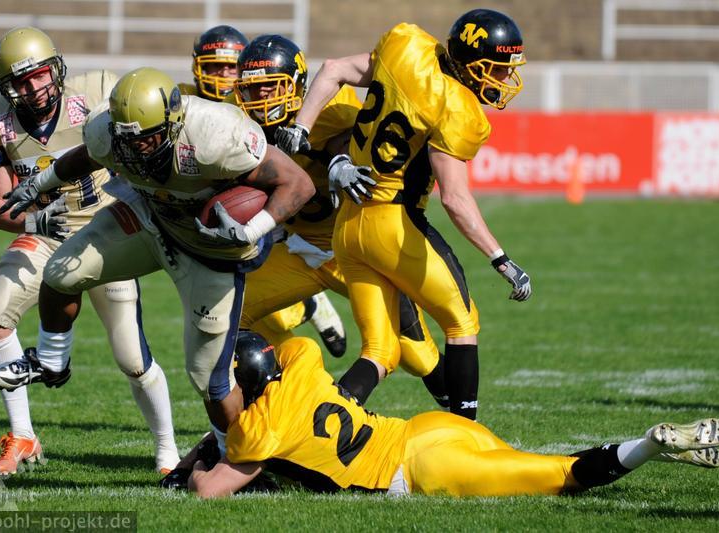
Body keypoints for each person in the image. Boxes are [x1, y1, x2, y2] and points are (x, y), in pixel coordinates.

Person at [0, 66, 315, 452]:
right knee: (61, 272)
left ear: (173, 123)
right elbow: (88, 156)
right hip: (149, 217)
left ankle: (236, 458)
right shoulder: (108, 130)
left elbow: (299, 183)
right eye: (127, 140)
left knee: (209, 379)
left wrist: (251, 230)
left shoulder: (216, 133)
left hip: (210, 247)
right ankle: (51, 360)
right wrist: (40, 184)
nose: (136, 149)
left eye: (147, 138)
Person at [274, 9, 534, 420]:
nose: (504, 79)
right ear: (470, 63)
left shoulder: (407, 44)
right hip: (393, 225)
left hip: (348, 228)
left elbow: (333, 69)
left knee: (380, 351)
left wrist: (301, 127)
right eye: (498, 69)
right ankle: (463, 434)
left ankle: (316, 425)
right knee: (462, 323)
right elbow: (455, 199)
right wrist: (500, 258)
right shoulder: (460, 108)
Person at [0, 27, 179, 475]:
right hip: (48, 235)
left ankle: (168, 452)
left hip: (107, 234)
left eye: (40, 75)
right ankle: (22, 436)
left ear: (56, 68)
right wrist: (34, 222)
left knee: (132, 359)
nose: (34, 87)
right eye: (21, 81)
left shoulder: (96, 95)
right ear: (7, 87)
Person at [179, 332, 719, 498]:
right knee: (529, 463)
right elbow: (290, 347)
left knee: (559, 476)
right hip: (427, 426)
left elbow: (210, 490)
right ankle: (663, 454)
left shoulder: (260, 432)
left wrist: (202, 463)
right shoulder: (301, 360)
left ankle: (650, 446)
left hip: (417, 471)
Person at [232, 35, 449, 404]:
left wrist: (340, 163)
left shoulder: (329, 109)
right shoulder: (237, 125)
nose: (262, 97)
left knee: (416, 356)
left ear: (297, 85)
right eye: (253, 89)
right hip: (299, 251)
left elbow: (344, 141)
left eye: (271, 86)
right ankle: (275, 406)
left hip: (352, 254)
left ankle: (460, 411)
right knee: (227, 315)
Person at [181, 25, 348, 357]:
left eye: (230, 67)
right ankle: (295, 337)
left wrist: (342, 162)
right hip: (285, 228)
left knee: (409, 340)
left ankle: (308, 306)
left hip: (331, 233)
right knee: (225, 298)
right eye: (214, 67)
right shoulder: (207, 106)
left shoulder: (327, 109)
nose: (223, 76)